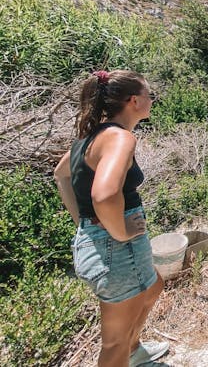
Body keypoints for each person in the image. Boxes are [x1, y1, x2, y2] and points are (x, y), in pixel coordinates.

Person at [53, 70, 168, 367]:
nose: (151, 101)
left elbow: (61, 175)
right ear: (133, 101)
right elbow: (104, 195)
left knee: (154, 286)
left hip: (100, 245)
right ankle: (127, 351)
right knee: (112, 344)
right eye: (149, 96)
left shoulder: (90, 138)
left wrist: (84, 222)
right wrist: (120, 232)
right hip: (117, 251)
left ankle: (135, 350)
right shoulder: (120, 138)